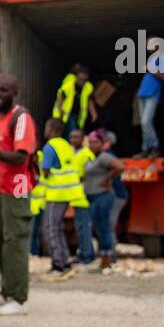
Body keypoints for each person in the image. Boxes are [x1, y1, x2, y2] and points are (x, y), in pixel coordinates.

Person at [0, 76, 38, 315]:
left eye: (4, 90)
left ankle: (17, 297)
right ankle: (5, 291)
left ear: (15, 92)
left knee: (15, 240)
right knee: (3, 241)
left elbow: (20, 157)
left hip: (17, 186)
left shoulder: (21, 118)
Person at [39, 118, 82, 281]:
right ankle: (64, 261)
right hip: (67, 193)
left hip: (55, 193)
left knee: (50, 229)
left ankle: (58, 263)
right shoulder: (66, 146)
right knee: (58, 228)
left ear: (50, 130)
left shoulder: (50, 147)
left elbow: (46, 169)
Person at [82, 130, 123, 270]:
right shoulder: (91, 159)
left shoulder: (104, 157)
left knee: (104, 228)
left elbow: (119, 166)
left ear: (102, 144)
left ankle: (107, 260)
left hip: (103, 197)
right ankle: (105, 260)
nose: (92, 145)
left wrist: (108, 179)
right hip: (93, 198)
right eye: (90, 142)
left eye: (96, 142)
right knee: (99, 229)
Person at [70, 128, 96, 265]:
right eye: (72, 137)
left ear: (82, 139)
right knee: (80, 227)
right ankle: (85, 253)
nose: (74, 140)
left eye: (77, 137)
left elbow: (89, 173)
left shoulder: (86, 154)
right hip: (76, 195)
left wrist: (78, 179)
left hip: (84, 195)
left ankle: (87, 255)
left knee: (84, 226)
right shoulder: (72, 152)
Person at [138, 40, 164, 156]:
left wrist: (151, 70)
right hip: (142, 94)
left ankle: (155, 147)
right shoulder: (152, 59)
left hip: (152, 95)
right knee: (143, 123)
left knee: (146, 122)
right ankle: (146, 149)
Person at [52, 63, 94, 130]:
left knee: (72, 132)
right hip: (66, 114)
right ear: (77, 75)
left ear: (87, 77)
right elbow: (60, 98)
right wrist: (60, 112)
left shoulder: (88, 88)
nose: (83, 77)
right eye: (81, 74)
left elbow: (89, 100)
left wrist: (93, 113)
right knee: (71, 131)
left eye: (85, 75)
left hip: (78, 115)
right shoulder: (69, 85)